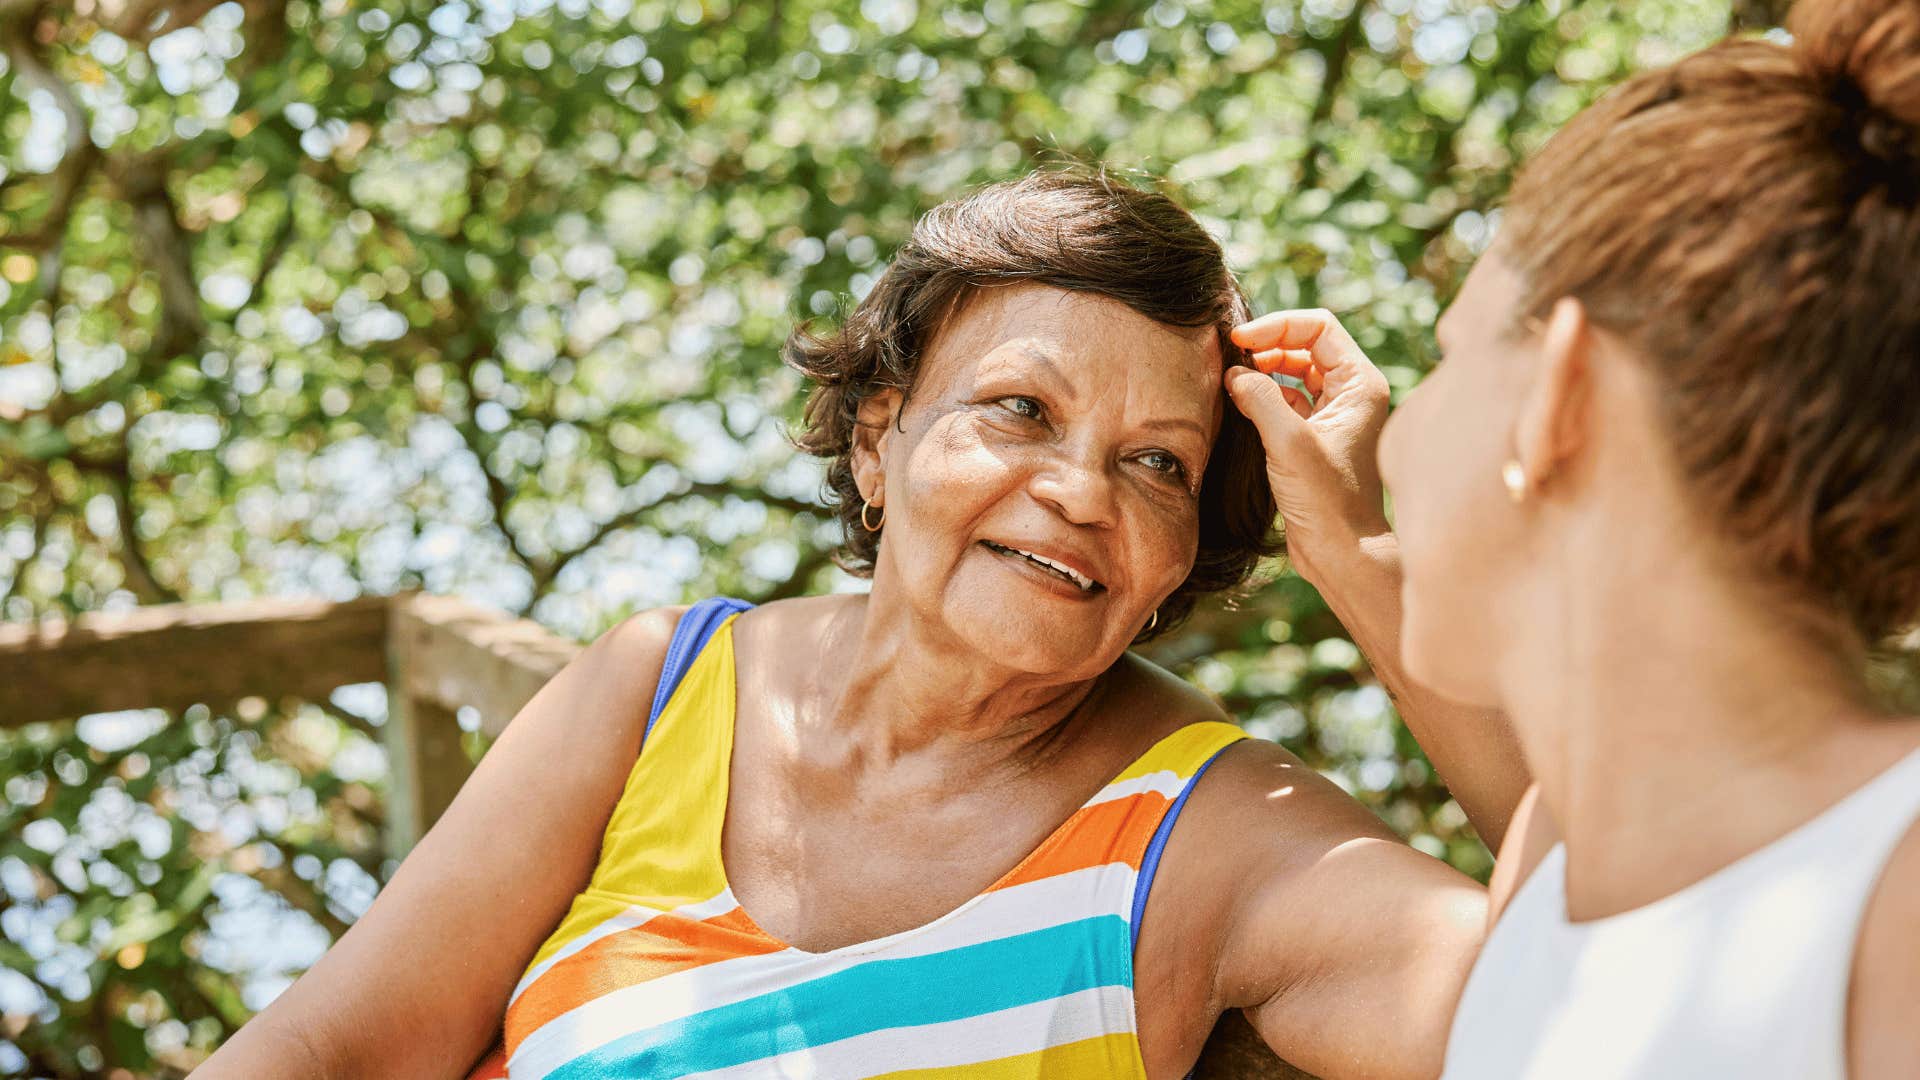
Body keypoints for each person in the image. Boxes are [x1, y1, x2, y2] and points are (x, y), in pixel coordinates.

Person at [196, 170, 1510, 1080]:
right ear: (880, 439)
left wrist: (1364, 556)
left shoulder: (1217, 836)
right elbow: (334, 1049)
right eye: (1020, 410)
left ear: (1181, 557)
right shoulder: (665, 689)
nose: (1076, 493)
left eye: (1159, 464)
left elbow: (1597, 999)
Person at [1227, 0, 1920, 1075]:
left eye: (1449, 358)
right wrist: (1352, 544)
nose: (1404, 426)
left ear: (1564, 391)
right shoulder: (1563, 858)